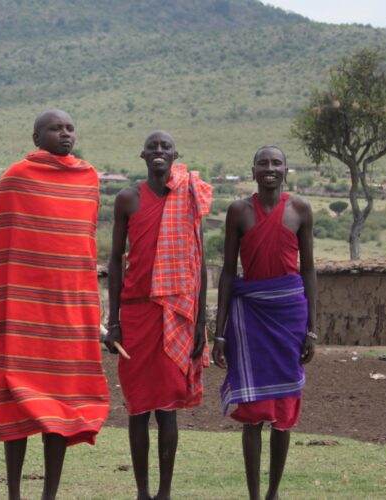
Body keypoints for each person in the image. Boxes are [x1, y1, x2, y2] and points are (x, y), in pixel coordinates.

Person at [0, 109, 110, 500]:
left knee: (63, 408)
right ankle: (15, 493)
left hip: (69, 315)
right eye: (55, 128)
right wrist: (2, 304)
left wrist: (90, 311)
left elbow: (82, 248)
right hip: (24, 314)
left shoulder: (88, 179)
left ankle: (49, 494)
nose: (65, 133)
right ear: (37, 137)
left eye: (70, 127)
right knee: (17, 403)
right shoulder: (16, 177)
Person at [103, 130, 212, 500]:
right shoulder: (128, 199)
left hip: (176, 314)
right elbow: (115, 262)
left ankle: (164, 493)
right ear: (143, 155)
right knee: (137, 407)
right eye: (153, 147)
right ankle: (142, 492)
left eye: (165, 147)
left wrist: (201, 321)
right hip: (134, 315)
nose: (159, 152)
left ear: (176, 154)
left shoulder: (190, 197)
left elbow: (200, 263)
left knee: (167, 409)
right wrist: (113, 320)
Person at [213, 145, 317, 500]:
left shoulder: (299, 210)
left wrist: (311, 328)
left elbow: (309, 270)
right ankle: (255, 495)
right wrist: (219, 332)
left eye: (276, 163)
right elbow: (228, 271)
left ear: (286, 169)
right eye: (263, 163)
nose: (269, 168)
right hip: (250, 317)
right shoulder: (239, 211)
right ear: (252, 170)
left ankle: (274, 492)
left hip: (290, 315)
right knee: (253, 410)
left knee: (285, 408)